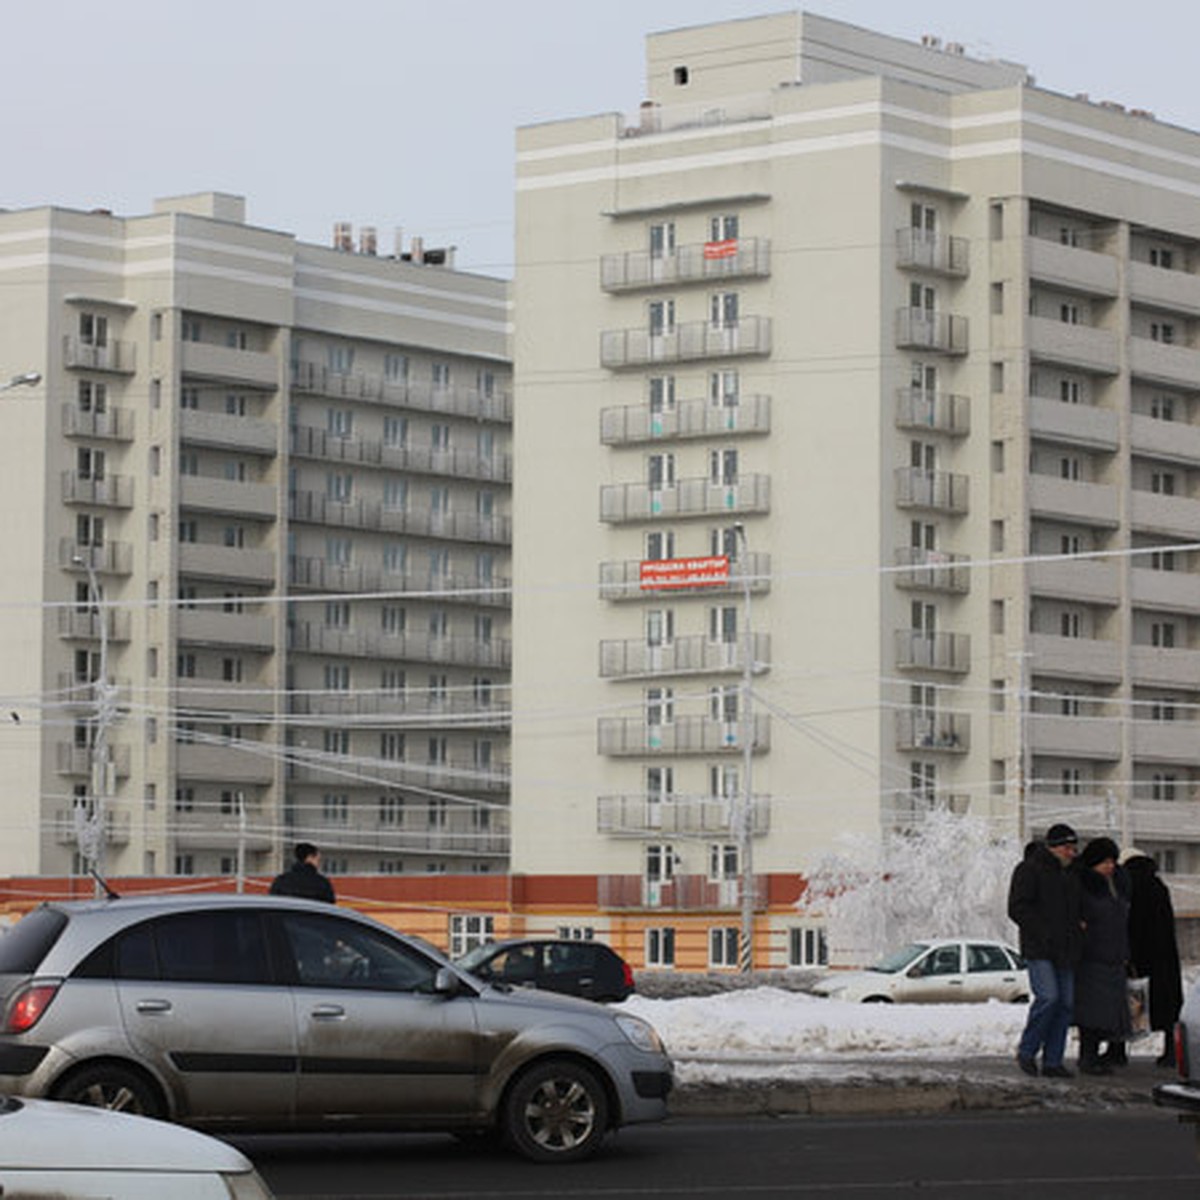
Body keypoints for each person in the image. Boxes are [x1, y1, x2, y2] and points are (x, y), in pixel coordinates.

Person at [1007, 823, 1083, 1078]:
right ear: (1054, 847)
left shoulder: (1072, 875)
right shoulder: (1029, 870)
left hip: (1067, 949)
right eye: (1068, 847)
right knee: (1048, 997)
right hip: (1040, 949)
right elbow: (1017, 907)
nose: (1072, 853)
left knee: (1065, 1005)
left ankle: (1053, 1061)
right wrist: (1043, 932)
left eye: (1074, 848)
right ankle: (1027, 1051)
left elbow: (1078, 909)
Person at [1073, 837, 1132, 1075]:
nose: (1110, 866)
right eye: (1104, 862)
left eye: (1112, 861)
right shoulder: (1083, 885)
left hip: (1115, 956)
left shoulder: (1118, 884)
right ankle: (1088, 1056)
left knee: (1110, 1011)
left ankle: (1102, 1055)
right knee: (1091, 1012)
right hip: (1091, 956)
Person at [1122, 848, 1183, 1068]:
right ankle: (1170, 1052)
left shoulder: (1129, 886)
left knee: (1131, 1002)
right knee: (1167, 1006)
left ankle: (1117, 1050)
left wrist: (1128, 954)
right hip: (1165, 957)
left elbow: (1132, 925)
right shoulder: (1159, 886)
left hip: (1140, 956)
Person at [269, 841, 336, 903]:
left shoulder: (281, 881)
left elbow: (273, 904)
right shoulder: (322, 883)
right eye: (318, 860)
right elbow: (329, 907)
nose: (319, 864)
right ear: (310, 858)